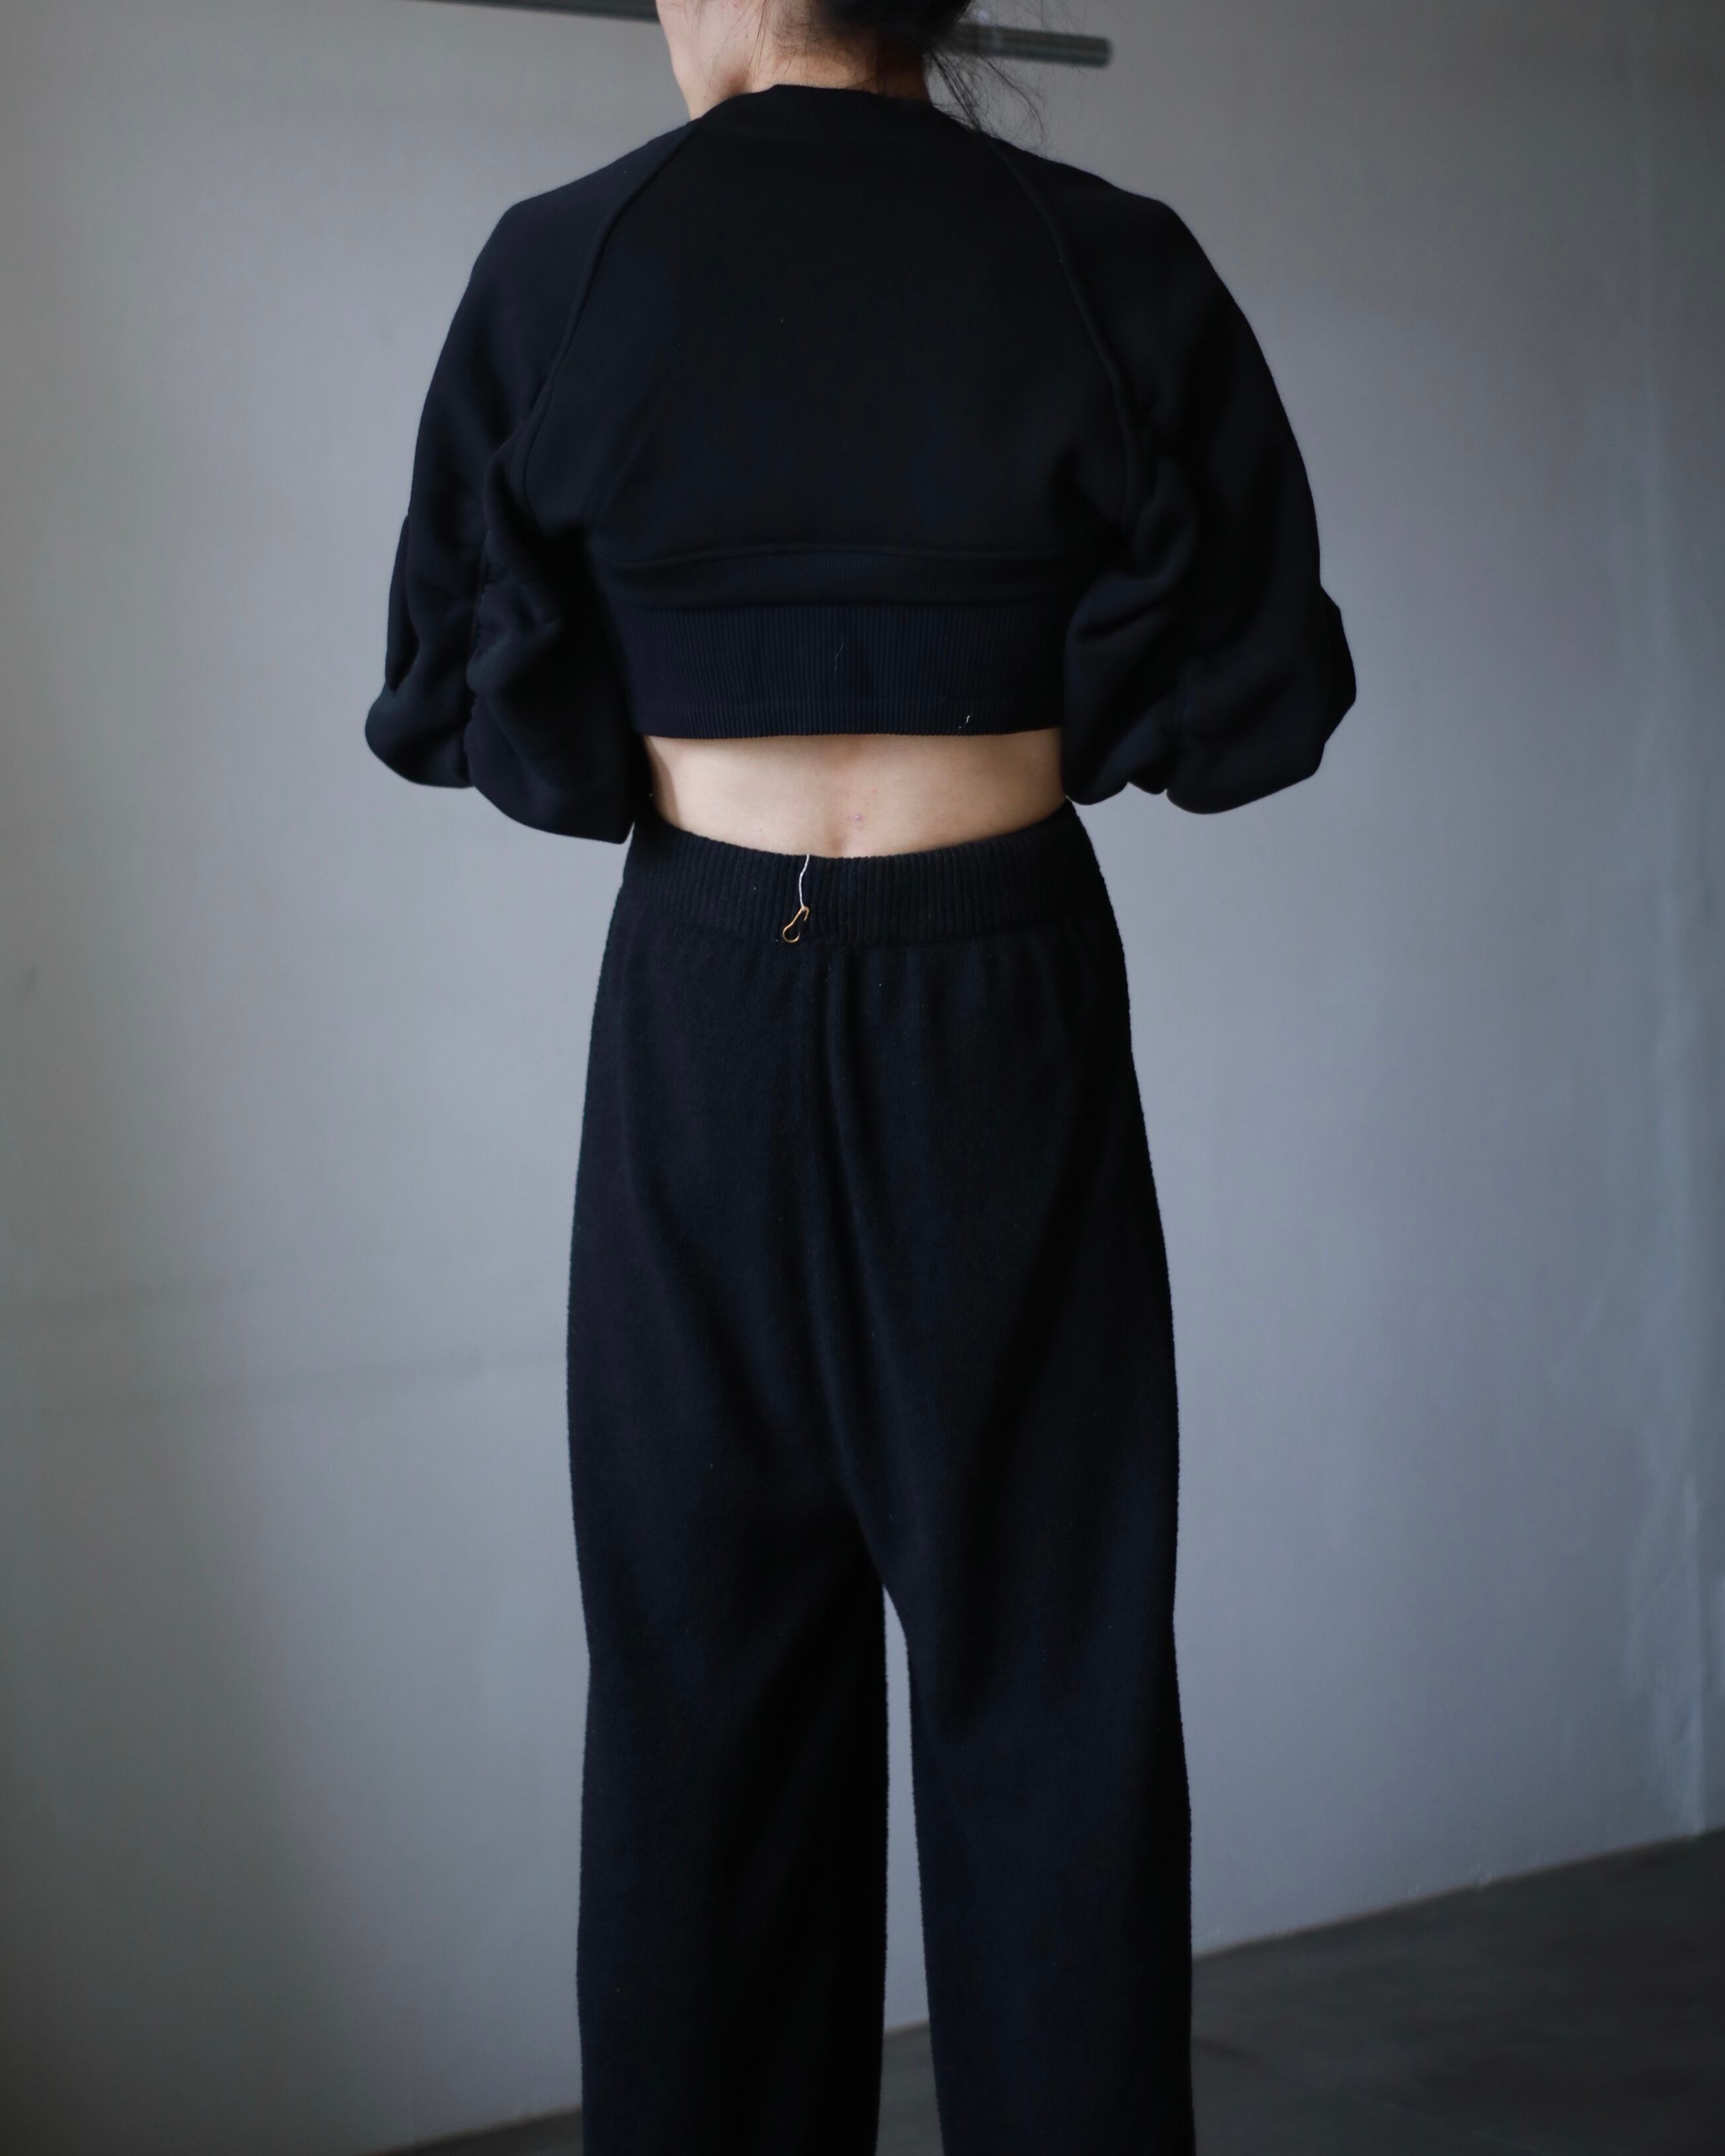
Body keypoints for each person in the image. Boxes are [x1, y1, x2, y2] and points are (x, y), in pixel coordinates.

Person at [365, 1, 1356, 2148]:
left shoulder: (569, 259)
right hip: (1001, 983)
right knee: (1048, 1683)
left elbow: (460, 695)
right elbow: (1254, 692)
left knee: (702, 1700)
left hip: (702, 996)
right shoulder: (1102, 256)